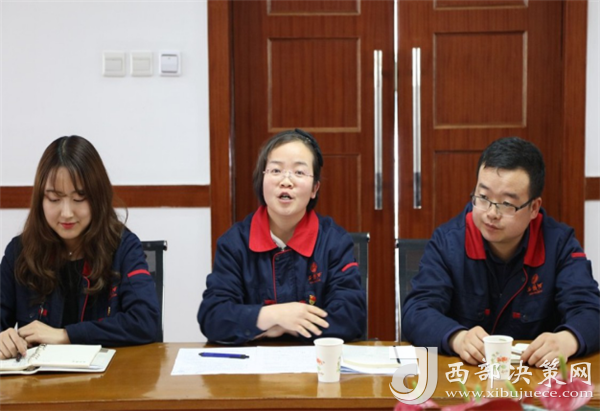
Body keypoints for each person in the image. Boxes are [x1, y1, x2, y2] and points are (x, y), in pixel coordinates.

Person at [402, 137, 600, 367]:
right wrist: (457, 338)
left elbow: (590, 311)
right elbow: (417, 311)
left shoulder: (559, 244)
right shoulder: (448, 242)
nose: (491, 213)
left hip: (535, 378)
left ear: (534, 208)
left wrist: (568, 339)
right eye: (483, 198)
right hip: (466, 378)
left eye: (506, 204)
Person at [198, 129, 366, 344]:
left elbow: (352, 316)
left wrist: (285, 326)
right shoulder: (235, 242)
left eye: (299, 172)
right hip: (253, 364)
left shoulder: (334, 241)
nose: (286, 181)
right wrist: (274, 316)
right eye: (276, 170)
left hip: (316, 362)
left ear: (314, 188)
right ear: (262, 180)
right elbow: (213, 317)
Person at [0, 136, 160, 360]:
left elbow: (146, 322)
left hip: (108, 378)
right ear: (40, 200)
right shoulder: (20, 252)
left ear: (98, 198)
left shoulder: (122, 246)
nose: (66, 213)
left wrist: (66, 335)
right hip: (38, 380)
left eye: (79, 199)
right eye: (54, 199)